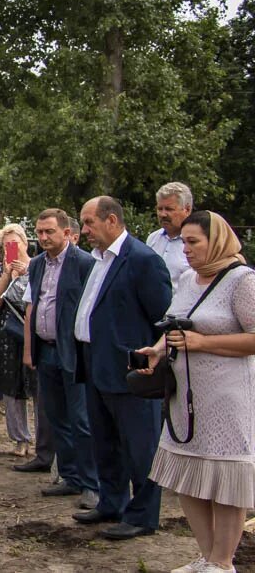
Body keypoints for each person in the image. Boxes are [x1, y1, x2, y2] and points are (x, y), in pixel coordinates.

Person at [136, 211, 254, 573]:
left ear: (215, 240)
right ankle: (206, 556)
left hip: (228, 397)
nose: (185, 250)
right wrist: (157, 350)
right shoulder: (188, 279)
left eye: (193, 242)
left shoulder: (241, 281)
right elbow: (175, 324)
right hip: (185, 396)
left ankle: (222, 562)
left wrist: (203, 342)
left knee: (225, 481)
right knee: (189, 475)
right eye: (183, 242)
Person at [71, 196, 172, 540]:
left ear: (111, 220)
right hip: (95, 365)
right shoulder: (98, 260)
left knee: (140, 445)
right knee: (105, 441)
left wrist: (150, 363)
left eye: (89, 223)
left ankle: (142, 515)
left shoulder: (143, 261)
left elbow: (163, 320)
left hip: (132, 370)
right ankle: (111, 501)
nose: (84, 231)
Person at [23, 210, 100, 505]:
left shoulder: (84, 264)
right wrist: (31, 349)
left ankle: (91, 483)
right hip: (46, 351)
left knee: (81, 418)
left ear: (67, 233)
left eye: (49, 232)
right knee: (56, 417)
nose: (43, 238)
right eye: (40, 232)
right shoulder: (37, 265)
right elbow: (35, 304)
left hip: (74, 352)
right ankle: (70, 476)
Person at [0, 224, 34, 457]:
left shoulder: (39, 266)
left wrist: (25, 272)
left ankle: (44, 441)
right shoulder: (0, 270)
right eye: (6, 245)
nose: (10, 248)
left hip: (32, 334)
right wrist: (7, 274)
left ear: (25, 243)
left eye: (14, 243)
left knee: (35, 387)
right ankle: (19, 439)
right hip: (8, 335)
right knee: (12, 388)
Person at [146, 181, 193, 293]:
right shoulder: (153, 239)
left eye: (169, 209)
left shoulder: (196, 243)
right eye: (160, 209)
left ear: (187, 209)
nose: (163, 214)